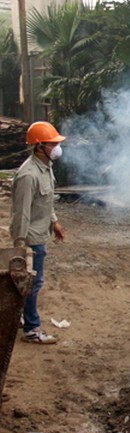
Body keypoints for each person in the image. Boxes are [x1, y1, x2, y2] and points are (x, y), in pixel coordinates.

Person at [9, 121, 66, 345]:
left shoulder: (45, 167)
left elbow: (45, 202)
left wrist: (55, 222)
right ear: (39, 146)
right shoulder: (28, 175)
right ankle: (32, 329)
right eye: (52, 143)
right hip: (31, 238)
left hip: (41, 233)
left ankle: (22, 317)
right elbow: (21, 214)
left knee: (32, 283)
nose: (57, 147)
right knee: (33, 283)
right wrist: (21, 246)